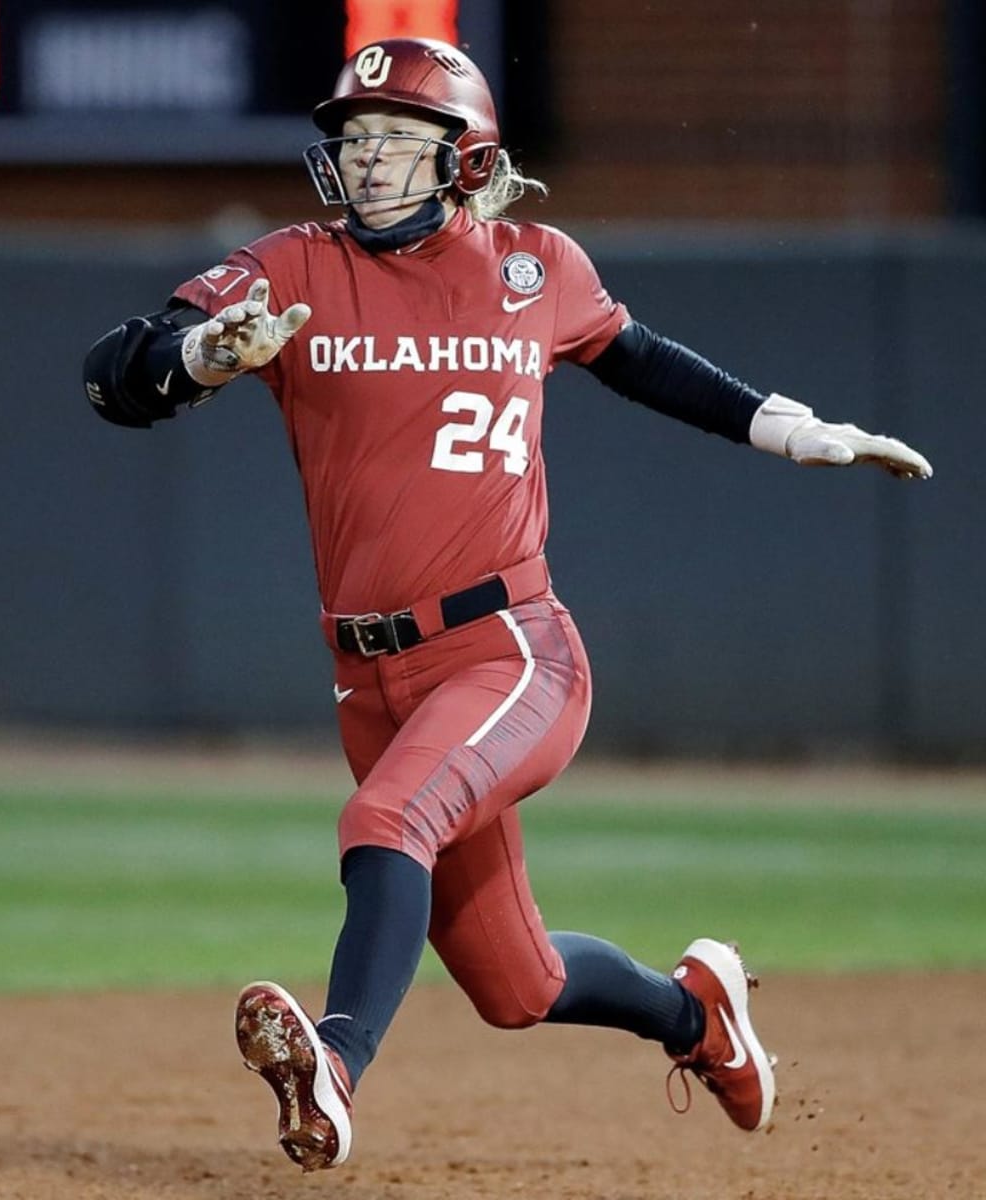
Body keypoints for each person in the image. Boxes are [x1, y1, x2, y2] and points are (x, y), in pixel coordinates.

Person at [82, 37, 932, 1173]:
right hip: (368, 676)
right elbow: (112, 373)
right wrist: (194, 356)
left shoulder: (535, 265)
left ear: (466, 155)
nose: (368, 158)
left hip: (509, 650)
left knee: (387, 826)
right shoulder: (293, 268)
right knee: (513, 985)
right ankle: (699, 1015)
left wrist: (796, 430)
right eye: (354, 136)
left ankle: (332, 1068)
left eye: (397, 137)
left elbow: (643, 361)